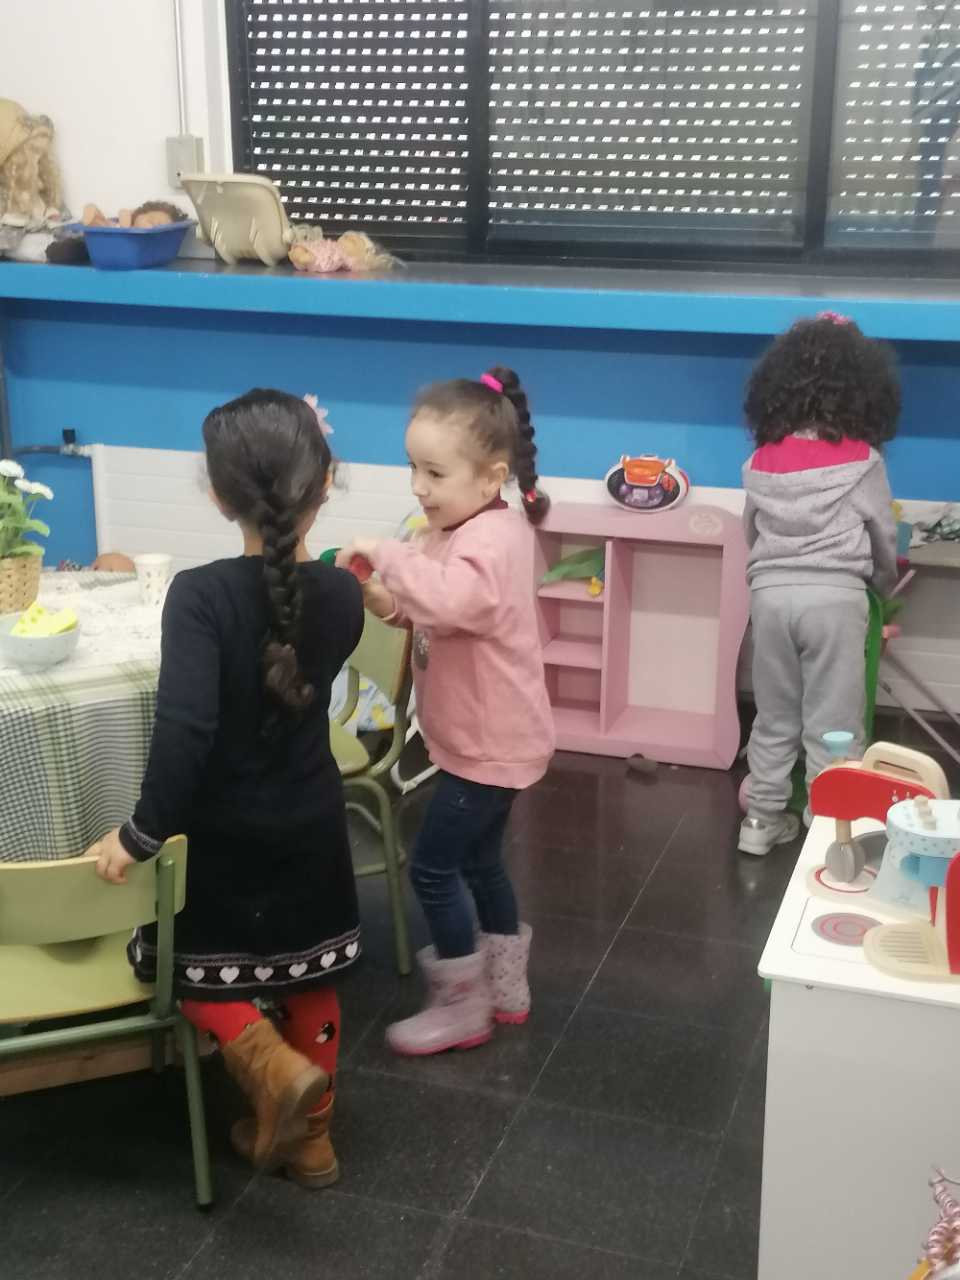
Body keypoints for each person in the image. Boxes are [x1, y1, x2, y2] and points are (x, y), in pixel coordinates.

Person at [87, 389, 364, 1186]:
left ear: (216, 495)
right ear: (327, 482)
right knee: (312, 977)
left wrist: (140, 835)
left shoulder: (201, 595)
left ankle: (271, 1072)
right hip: (312, 820)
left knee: (174, 965)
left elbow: (186, 733)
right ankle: (313, 1140)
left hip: (222, 835)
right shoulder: (344, 594)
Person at [337, 367, 555, 1056]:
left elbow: (457, 600)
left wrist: (387, 553)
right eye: (413, 469)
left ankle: (462, 1006)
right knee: (482, 863)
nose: (419, 487)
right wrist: (385, 601)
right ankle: (506, 989)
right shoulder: (457, 529)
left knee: (433, 868)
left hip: (491, 745)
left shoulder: (493, 539)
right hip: (480, 740)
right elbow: (436, 613)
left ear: (491, 479)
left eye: (434, 473)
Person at [738, 313, 900, 856]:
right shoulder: (862, 460)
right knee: (834, 723)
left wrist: (767, 575)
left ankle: (759, 821)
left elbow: (750, 530)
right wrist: (882, 588)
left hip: (769, 594)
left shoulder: (763, 458)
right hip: (835, 597)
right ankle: (827, 828)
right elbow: (883, 537)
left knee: (774, 715)